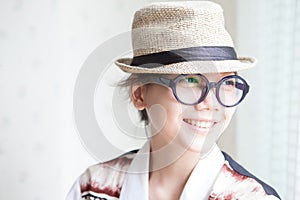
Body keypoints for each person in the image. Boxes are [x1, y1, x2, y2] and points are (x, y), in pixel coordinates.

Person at [67, 1, 281, 199]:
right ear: (139, 93)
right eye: (190, 80)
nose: (210, 104)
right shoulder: (91, 188)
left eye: (227, 83)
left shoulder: (250, 196)